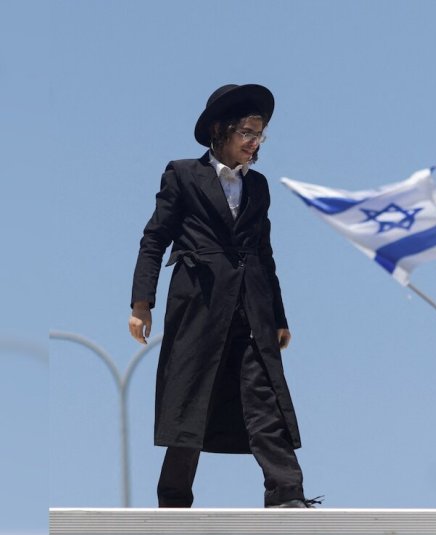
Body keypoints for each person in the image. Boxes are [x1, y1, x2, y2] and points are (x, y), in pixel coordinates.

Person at [129, 83, 316, 508]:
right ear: (221, 131)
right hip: (199, 304)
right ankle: (174, 501)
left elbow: (265, 255)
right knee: (189, 399)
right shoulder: (182, 174)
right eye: (248, 133)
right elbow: (154, 239)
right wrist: (142, 304)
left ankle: (287, 494)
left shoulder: (259, 187)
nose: (255, 143)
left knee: (264, 396)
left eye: (260, 134)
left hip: (251, 308)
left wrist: (279, 317)